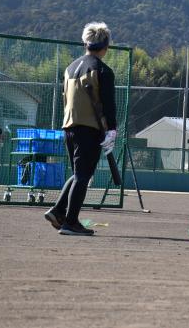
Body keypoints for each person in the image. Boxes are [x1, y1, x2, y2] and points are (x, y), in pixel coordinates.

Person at [44, 22, 117, 236]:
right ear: (105, 45)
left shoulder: (70, 68)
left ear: (85, 43)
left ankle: (58, 211)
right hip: (90, 129)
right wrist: (112, 129)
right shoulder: (102, 70)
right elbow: (109, 104)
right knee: (83, 175)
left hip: (69, 128)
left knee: (78, 174)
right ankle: (70, 222)